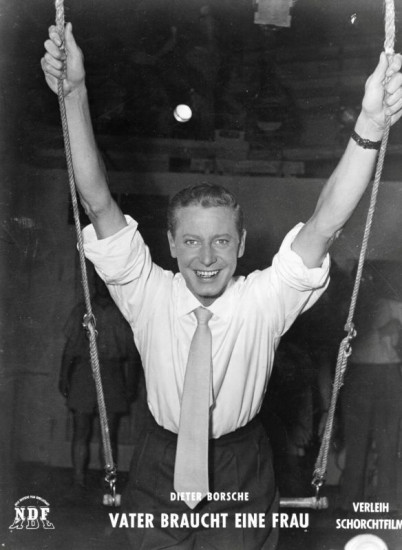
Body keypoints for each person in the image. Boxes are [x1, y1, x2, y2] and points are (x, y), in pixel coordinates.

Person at [41, 21, 402, 550]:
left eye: (220, 241)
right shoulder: (146, 292)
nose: (206, 258)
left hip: (241, 464)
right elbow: (97, 201)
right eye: (191, 241)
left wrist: (370, 122)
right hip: (159, 461)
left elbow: (325, 222)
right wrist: (73, 92)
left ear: (241, 243)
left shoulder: (264, 301)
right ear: (170, 242)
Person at [60, 274, 139, 490]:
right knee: (81, 429)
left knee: (108, 433)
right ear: (93, 283)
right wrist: (63, 376)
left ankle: (108, 482)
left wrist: (132, 382)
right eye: (98, 280)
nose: (102, 285)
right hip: (84, 372)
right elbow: (70, 348)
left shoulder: (123, 312)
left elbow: (133, 354)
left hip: (112, 373)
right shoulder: (82, 310)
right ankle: (78, 479)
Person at [338, 264, 402, 514]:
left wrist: (397, 332)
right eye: (361, 278)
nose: (366, 282)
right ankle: (349, 504)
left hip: (388, 374)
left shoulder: (395, 306)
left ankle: (388, 503)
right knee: (356, 443)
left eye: (370, 277)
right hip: (359, 375)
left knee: (388, 443)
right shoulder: (349, 308)